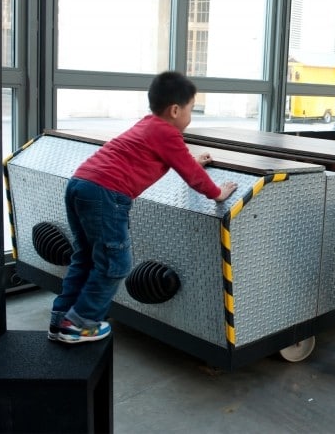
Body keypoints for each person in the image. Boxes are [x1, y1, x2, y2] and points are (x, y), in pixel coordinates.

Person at [48, 71, 238, 344]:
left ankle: (60, 319)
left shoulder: (148, 125)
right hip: (107, 194)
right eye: (190, 109)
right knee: (115, 264)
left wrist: (193, 161)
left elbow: (176, 162)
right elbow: (192, 176)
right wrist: (218, 194)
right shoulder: (168, 133)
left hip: (81, 184)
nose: (190, 115)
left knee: (87, 258)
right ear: (175, 110)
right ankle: (80, 324)